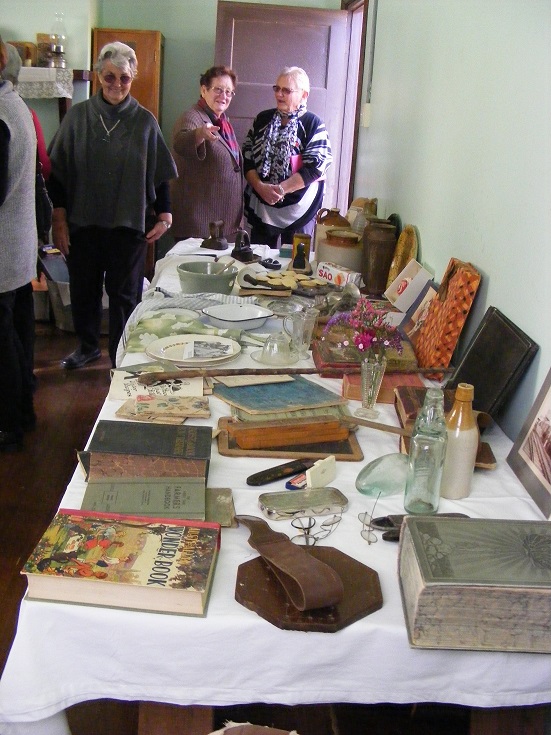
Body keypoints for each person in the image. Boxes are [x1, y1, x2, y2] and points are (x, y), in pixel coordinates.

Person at [48, 41, 177, 369]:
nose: (116, 84)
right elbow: (57, 173)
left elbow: (159, 173)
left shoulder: (145, 122)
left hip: (128, 224)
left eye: (124, 78)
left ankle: (120, 356)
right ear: (97, 76)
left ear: (132, 77)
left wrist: (164, 214)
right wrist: (59, 220)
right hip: (83, 223)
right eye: (109, 77)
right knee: (84, 291)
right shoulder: (77, 118)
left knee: (123, 297)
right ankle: (87, 346)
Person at [243, 66, 332, 248]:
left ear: (304, 95)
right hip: (263, 206)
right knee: (259, 261)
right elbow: (248, 156)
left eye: (287, 90)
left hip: (300, 209)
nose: (279, 94)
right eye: (277, 88)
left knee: (295, 266)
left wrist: (280, 190)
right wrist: (260, 187)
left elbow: (315, 167)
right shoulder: (262, 119)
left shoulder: (313, 124)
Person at [0, 37, 38, 450]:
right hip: (17, 244)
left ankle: (8, 425)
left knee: (4, 341)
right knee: (17, 333)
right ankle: (22, 413)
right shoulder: (16, 105)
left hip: (3, 247)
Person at [170, 65, 243, 243]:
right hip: (198, 226)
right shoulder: (192, 117)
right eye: (218, 89)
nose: (223, 96)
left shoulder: (223, 122)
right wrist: (200, 133)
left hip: (220, 225)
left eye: (229, 92)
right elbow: (180, 143)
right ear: (203, 90)